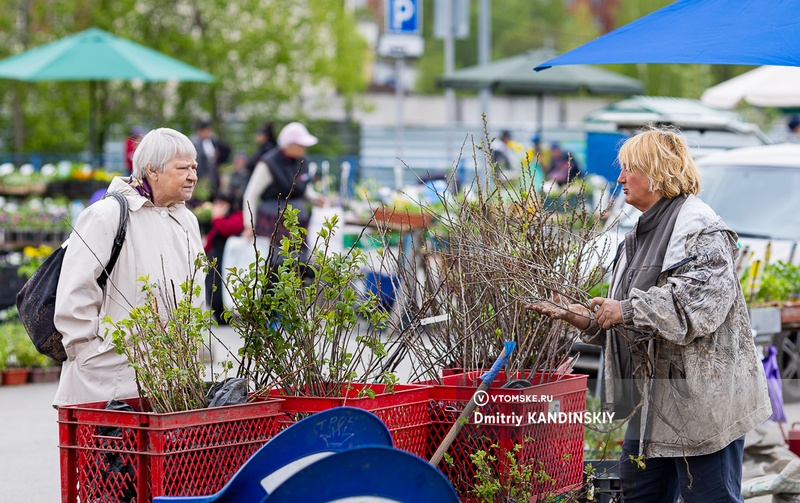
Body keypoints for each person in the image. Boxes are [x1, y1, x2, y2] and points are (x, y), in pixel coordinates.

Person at [528, 126, 770, 502]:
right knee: (639, 494)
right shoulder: (638, 236)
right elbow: (632, 318)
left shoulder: (703, 232)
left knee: (711, 498)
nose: (620, 178)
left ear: (658, 173)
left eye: (629, 169)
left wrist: (623, 310)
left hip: (704, 406)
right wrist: (586, 319)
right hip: (652, 403)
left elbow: (693, 307)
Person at [53, 128, 205, 407]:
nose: (193, 176)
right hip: (107, 381)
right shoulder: (106, 215)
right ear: (152, 170)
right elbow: (75, 291)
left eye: (194, 167)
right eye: (183, 168)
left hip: (172, 383)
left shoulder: (187, 221)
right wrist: (88, 352)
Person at [242, 122, 326, 249]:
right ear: (289, 145)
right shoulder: (268, 163)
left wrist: (315, 198)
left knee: (299, 262)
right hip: (273, 222)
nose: (305, 148)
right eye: (301, 145)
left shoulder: (302, 161)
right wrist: (249, 225)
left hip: (298, 222)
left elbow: (302, 187)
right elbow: (251, 195)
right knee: (275, 261)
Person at [204, 191, 243, 322]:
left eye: (222, 204)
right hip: (216, 260)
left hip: (229, 261)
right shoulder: (219, 219)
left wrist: (217, 218)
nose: (218, 207)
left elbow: (227, 229)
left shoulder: (237, 217)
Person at [191, 119, 232, 201]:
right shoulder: (194, 142)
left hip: (213, 177)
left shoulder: (212, 141)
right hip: (201, 178)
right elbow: (197, 162)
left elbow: (227, 149)